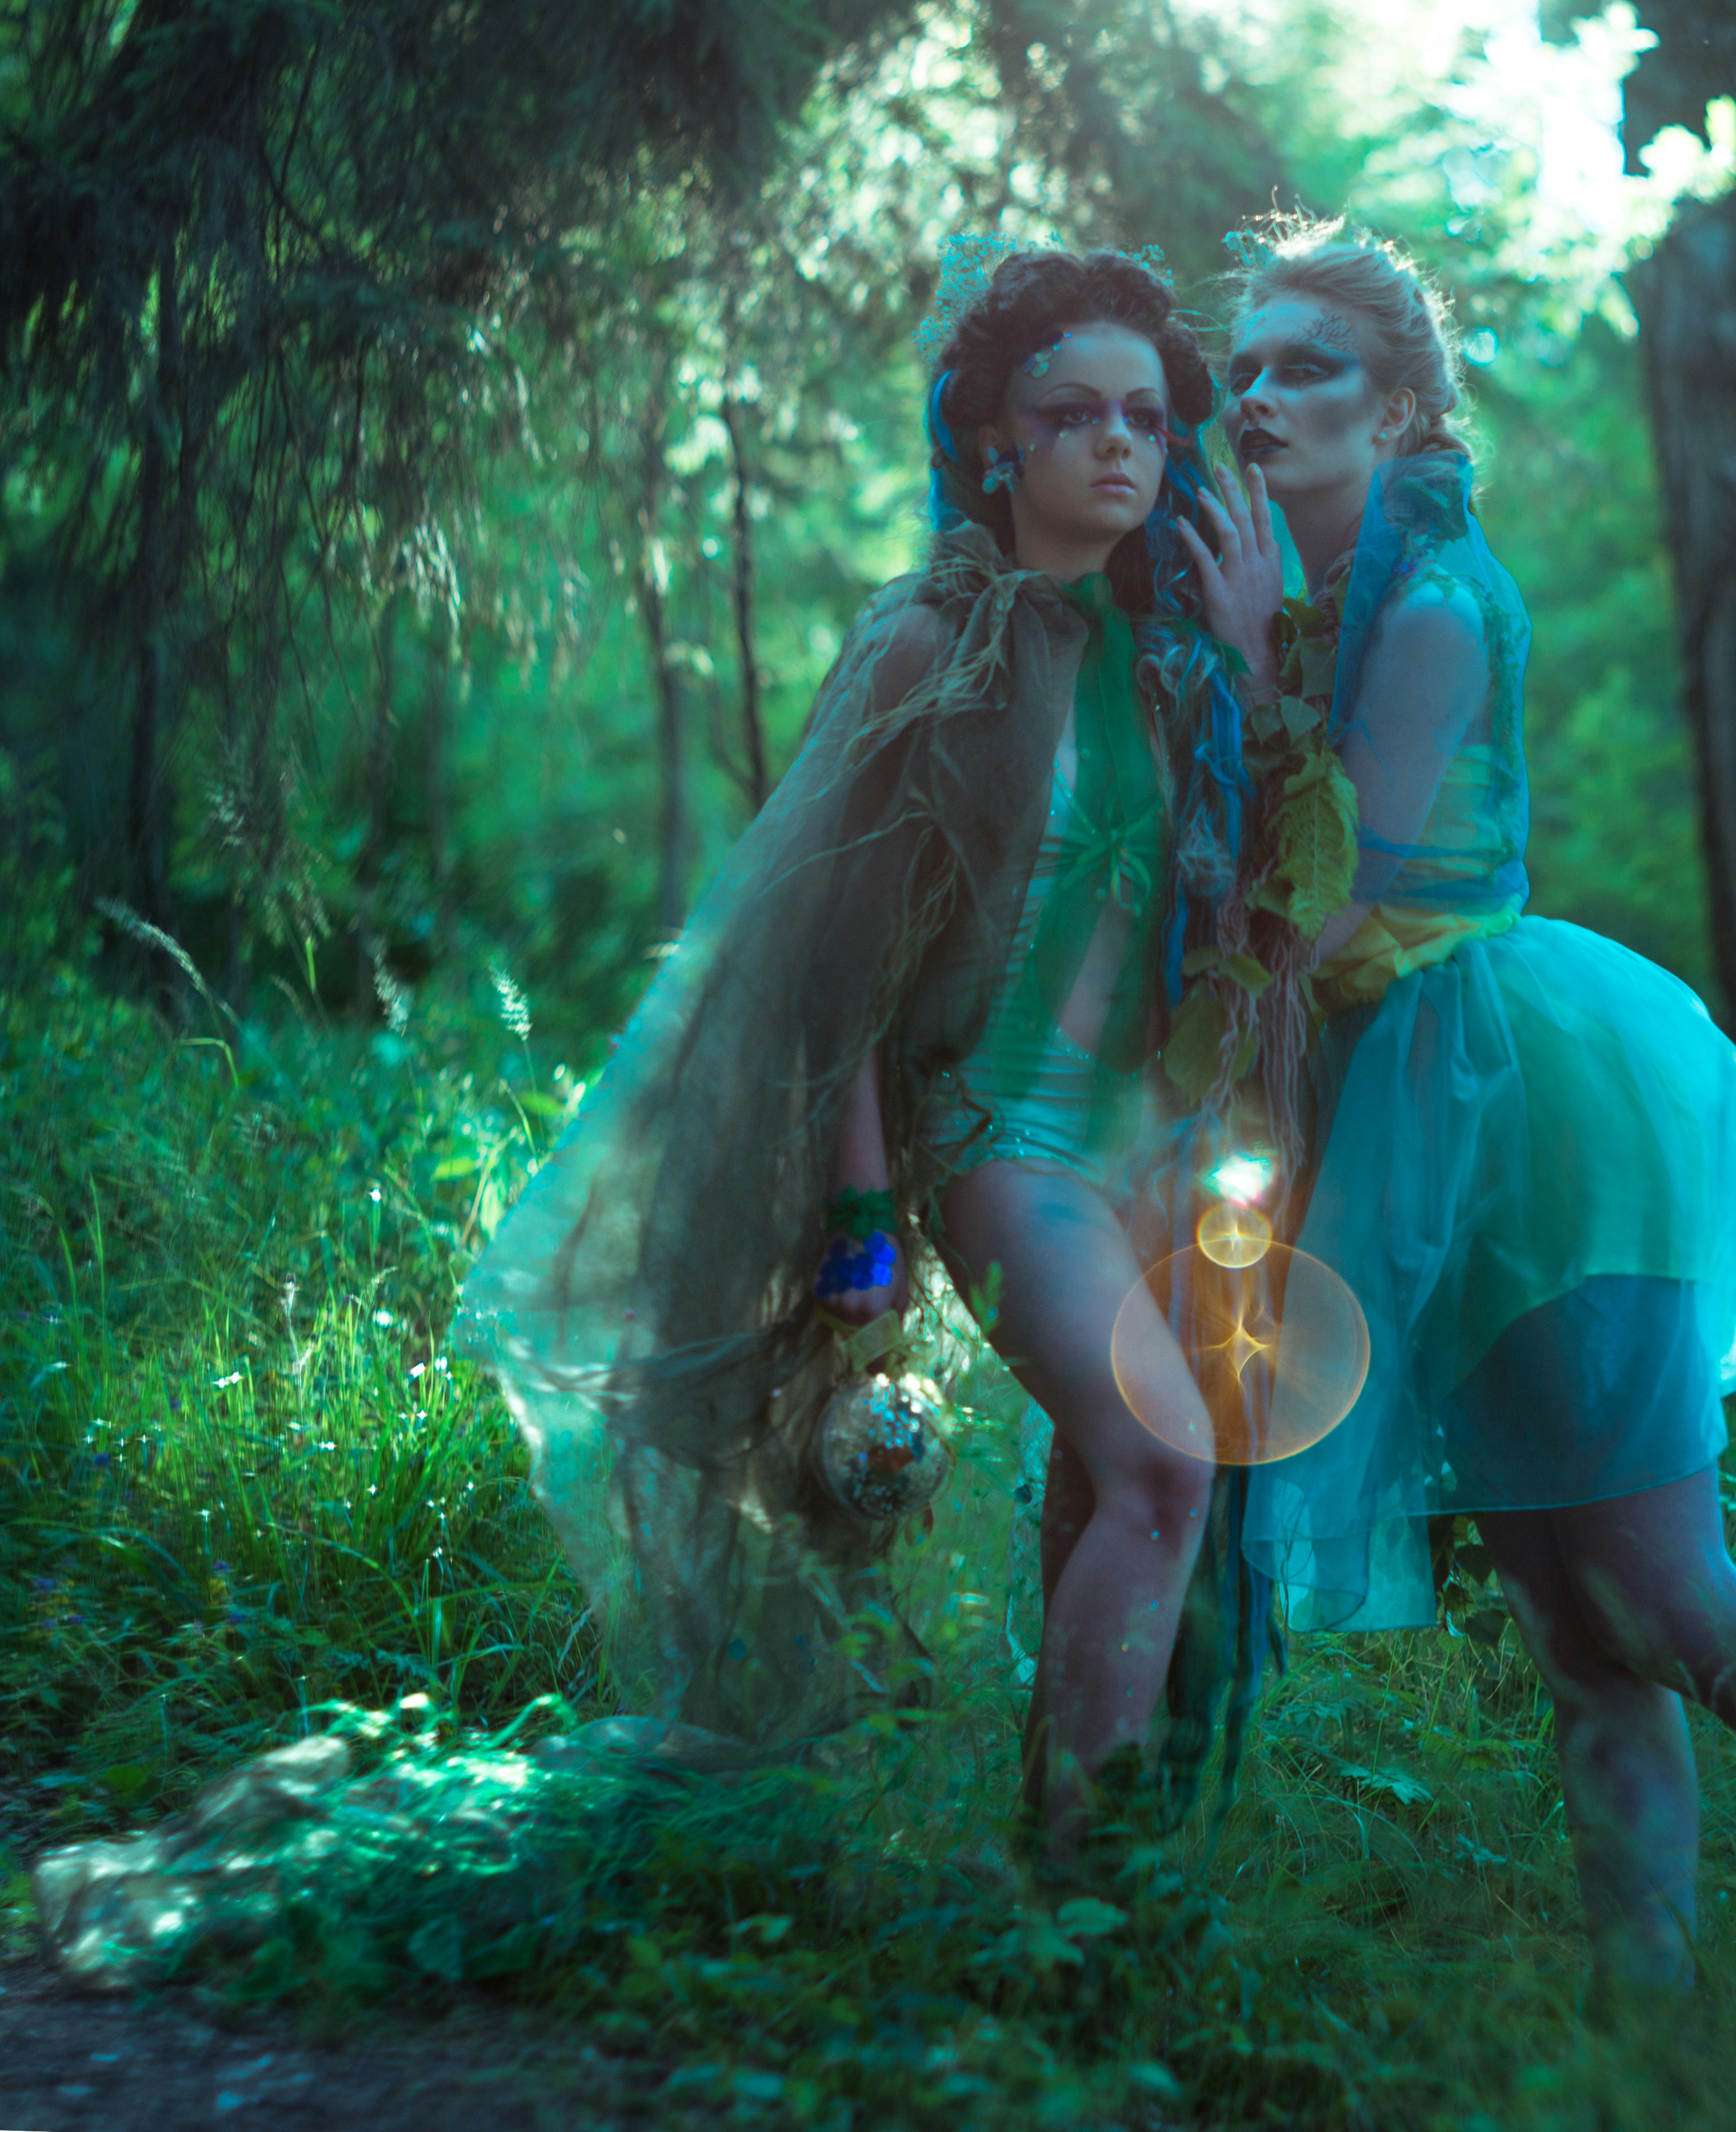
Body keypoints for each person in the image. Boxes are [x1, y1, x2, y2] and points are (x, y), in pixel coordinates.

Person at [1177, 220, 1736, 1986]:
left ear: (1405, 403)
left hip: (1531, 1113)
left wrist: (1256, 665)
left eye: (1311, 365)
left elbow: (1334, 896)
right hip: (1407, 1113)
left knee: (1669, 1595)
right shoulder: (1301, 590)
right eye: (1249, 368)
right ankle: (1642, 2038)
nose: (1264, 396)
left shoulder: (1423, 603)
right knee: (1578, 1628)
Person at [463, 246, 1259, 1853]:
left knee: (1112, 1489)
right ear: (994, 441)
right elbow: (833, 987)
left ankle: (1072, 1878)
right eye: (1076, 415)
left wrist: (1252, 654)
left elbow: (1245, 921)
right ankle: (1089, 1892)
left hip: (1150, 1152)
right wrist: (857, 1224)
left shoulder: (1175, 672)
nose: (1122, 447)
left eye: (1151, 423)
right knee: (1166, 1463)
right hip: (1000, 1142)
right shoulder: (931, 653)